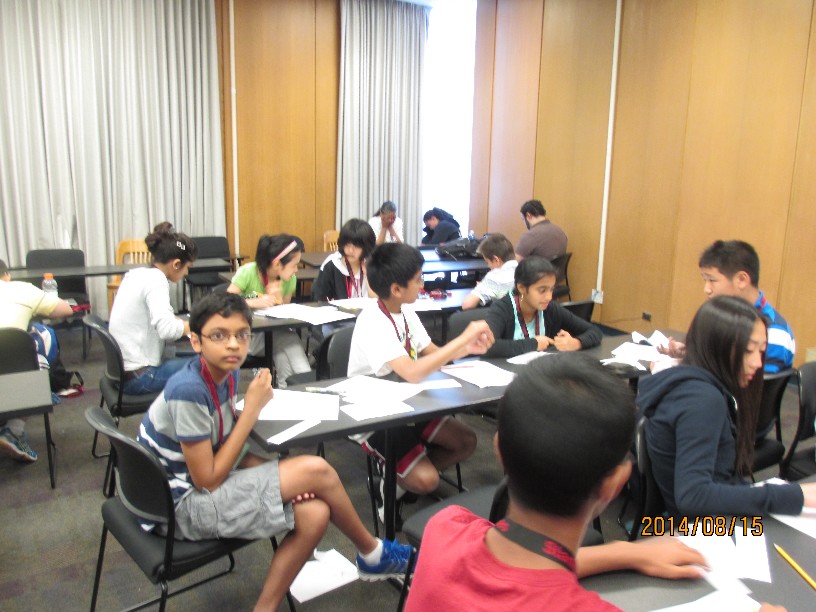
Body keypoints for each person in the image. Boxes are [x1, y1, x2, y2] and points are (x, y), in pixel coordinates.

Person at [137, 292, 413, 610]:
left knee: (315, 514)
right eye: (219, 336)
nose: (233, 345)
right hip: (179, 508)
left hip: (194, 487)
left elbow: (224, 446)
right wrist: (252, 410)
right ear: (196, 342)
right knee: (317, 470)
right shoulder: (189, 390)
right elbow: (207, 480)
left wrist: (284, 482)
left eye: (242, 335)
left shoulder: (223, 373)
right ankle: (373, 553)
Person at [406, 354, 711, 611]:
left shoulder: (444, 529)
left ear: (498, 449)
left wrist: (626, 553)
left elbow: (528, 562)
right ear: (615, 484)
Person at [348, 243, 494, 515]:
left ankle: (397, 479)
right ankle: (395, 480)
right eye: (418, 279)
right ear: (396, 289)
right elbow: (412, 371)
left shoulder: (404, 311)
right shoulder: (373, 320)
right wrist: (462, 338)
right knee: (427, 481)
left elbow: (434, 354)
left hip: (410, 403)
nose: (423, 284)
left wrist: (467, 348)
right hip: (374, 413)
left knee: (465, 442)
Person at [639, 296, 816, 517]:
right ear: (717, 347)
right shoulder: (702, 400)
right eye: (749, 350)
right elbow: (693, 497)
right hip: (702, 527)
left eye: (761, 351)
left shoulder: (696, 387)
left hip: (714, 512)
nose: (758, 363)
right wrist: (794, 495)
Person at [660, 240, 795, 374]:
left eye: (712, 280)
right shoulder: (723, 316)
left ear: (741, 280)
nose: (707, 289)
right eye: (705, 280)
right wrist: (689, 354)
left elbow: (757, 384)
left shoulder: (775, 332)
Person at [109, 223, 196, 395]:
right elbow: (167, 330)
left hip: (124, 372)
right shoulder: (157, 281)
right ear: (176, 264)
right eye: (188, 267)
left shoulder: (137, 274)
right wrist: (200, 325)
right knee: (217, 364)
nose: (187, 273)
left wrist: (184, 324)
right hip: (141, 377)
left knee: (195, 356)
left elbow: (161, 319)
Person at [0, 258, 74, 462]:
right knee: (43, 340)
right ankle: (13, 430)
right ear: (7, 276)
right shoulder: (22, 289)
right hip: (16, 382)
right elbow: (66, 310)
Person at [227, 234, 311, 387]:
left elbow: (283, 319)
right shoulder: (248, 272)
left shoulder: (289, 279)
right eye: (294, 265)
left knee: (284, 351)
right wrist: (252, 302)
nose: (296, 270)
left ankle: (287, 389)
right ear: (277, 264)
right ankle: (309, 382)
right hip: (247, 337)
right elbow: (225, 302)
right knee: (289, 340)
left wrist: (279, 302)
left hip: (273, 335)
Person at [483, 256, 601, 358]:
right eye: (542, 290)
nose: (549, 297)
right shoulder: (502, 309)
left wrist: (576, 343)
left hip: (542, 371)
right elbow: (487, 345)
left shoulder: (550, 308)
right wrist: (534, 344)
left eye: (551, 289)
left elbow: (594, 331)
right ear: (522, 288)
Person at [312, 218, 376, 302]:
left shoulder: (373, 263)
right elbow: (320, 300)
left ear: (366, 247)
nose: (350, 250)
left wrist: (367, 275)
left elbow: (379, 300)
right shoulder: (332, 264)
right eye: (347, 245)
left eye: (356, 246)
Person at [461, 233, 518, 310]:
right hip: (524, 315)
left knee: (458, 316)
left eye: (487, 262)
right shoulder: (523, 269)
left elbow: (467, 305)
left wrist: (482, 287)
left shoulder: (494, 276)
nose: (488, 266)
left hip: (505, 315)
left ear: (496, 260)